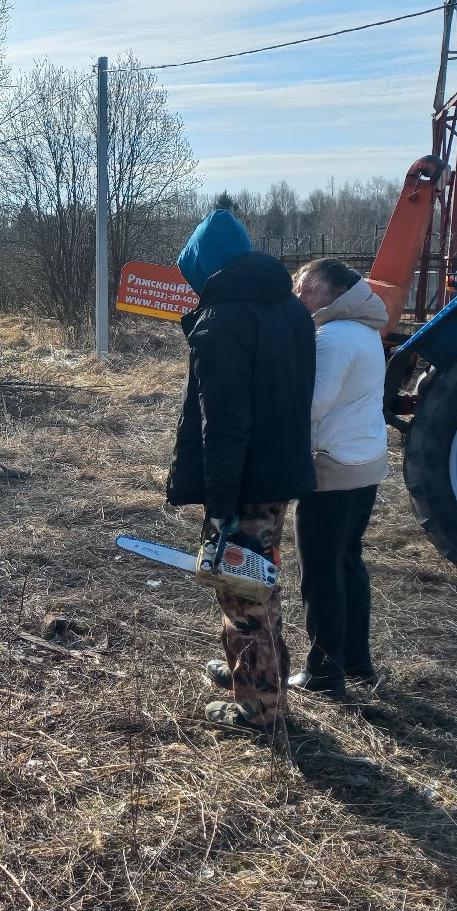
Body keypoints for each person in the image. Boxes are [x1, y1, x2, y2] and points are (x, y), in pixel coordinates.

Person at [166, 208, 316, 736]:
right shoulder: (290, 309)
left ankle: (259, 710)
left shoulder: (223, 320)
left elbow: (225, 424)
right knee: (261, 585)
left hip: (246, 482)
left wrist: (222, 502)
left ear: (207, 265)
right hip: (278, 475)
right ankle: (257, 682)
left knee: (242, 592)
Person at [290, 258, 389, 697]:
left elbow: (311, 404)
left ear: (336, 294)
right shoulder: (365, 331)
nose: (300, 294)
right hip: (365, 461)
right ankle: (356, 662)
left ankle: (324, 672)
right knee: (348, 561)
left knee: (321, 571)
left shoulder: (332, 336)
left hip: (333, 465)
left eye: (307, 288)